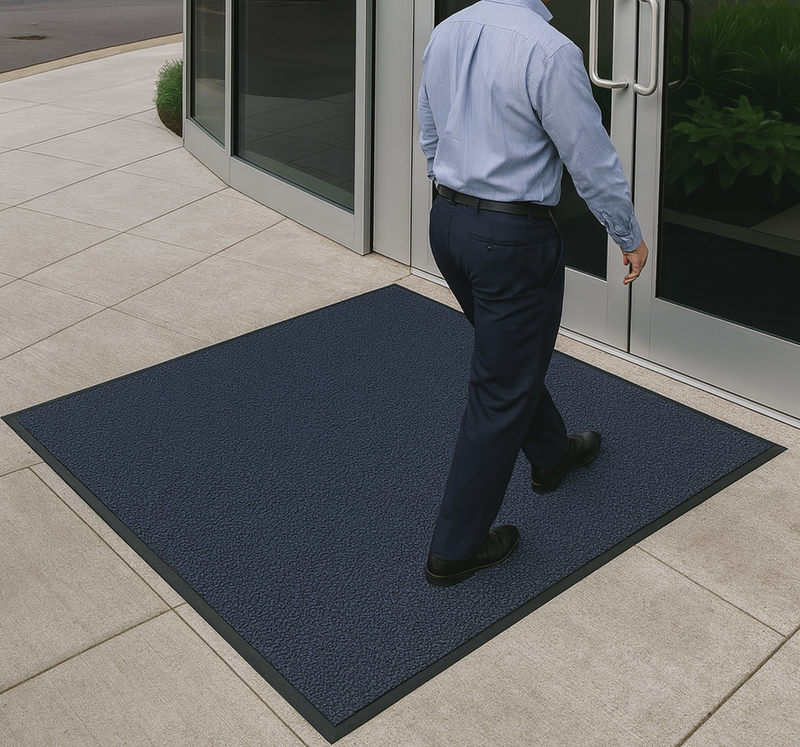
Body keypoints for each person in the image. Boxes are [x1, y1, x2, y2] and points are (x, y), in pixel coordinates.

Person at [418, 0, 649, 586]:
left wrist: (455, 199)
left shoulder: (447, 31)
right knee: (500, 387)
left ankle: (551, 456)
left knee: (509, 360)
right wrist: (627, 234)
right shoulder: (549, 50)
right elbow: (588, 157)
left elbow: (430, 133)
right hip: (511, 241)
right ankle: (454, 549)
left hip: (448, 224)